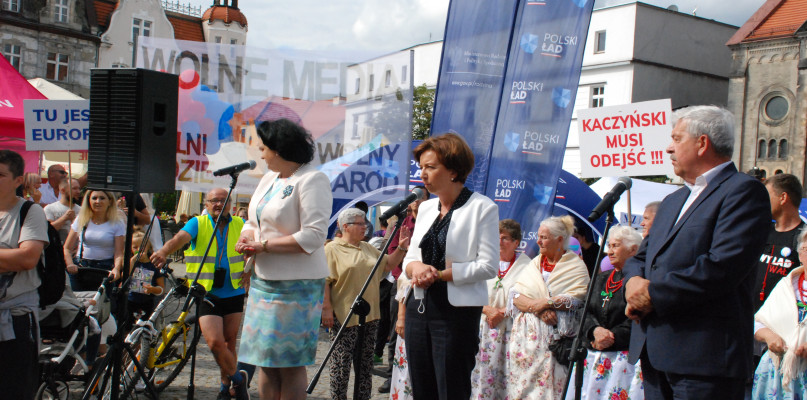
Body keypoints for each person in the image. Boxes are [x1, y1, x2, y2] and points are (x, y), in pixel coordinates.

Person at [623, 105, 771, 399]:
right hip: (656, 351)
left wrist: (651, 295)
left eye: (677, 138)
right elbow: (642, 257)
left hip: (704, 358)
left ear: (702, 143)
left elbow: (721, 267)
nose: (668, 148)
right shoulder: (673, 199)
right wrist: (633, 283)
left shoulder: (743, 192)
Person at [233, 118, 332, 400]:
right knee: (264, 360)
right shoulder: (268, 179)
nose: (260, 155)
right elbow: (254, 220)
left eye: (263, 149)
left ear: (279, 149)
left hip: (297, 286)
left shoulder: (312, 179)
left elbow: (313, 236)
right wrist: (247, 236)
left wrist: (264, 245)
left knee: (289, 363)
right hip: (264, 282)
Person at [402, 133, 499, 399]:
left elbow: (488, 266)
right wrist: (417, 269)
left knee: (451, 388)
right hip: (418, 306)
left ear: (454, 171)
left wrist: (439, 275)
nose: (423, 174)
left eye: (430, 167)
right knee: (422, 387)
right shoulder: (425, 208)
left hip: (455, 312)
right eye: (420, 167)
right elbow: (410, 259)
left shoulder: (483, 208)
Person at [151, 188, 249, 400]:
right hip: (206, 291)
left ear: (230, 204)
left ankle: (225, 389)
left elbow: (252, 251)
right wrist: (163, 251)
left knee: (230, 342)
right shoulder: (198, 223)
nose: (218, 204)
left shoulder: (241, 225)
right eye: (214, 200)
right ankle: (239, 381)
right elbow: (179, 239)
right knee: (215, 343)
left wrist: (250, 272)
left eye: (223, 201)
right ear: (206, 204)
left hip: (233, 290)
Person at [322, 208, 410, 400]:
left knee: (364, 367)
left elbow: (387, 265)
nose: (365, 227)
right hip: (344, 316)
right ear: (346, 226)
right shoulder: (332, 249)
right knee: (341, 367)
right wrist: (326, 309)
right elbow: (324, 282)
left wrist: (402, 248)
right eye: (360, 224)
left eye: (365, 223)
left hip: (370, 317)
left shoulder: (367, 247)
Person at [508, 215, 590, 399]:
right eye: (538, 236)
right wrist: (539, 308)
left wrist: (547, 303)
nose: (538, 241)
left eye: (544, 237)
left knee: (552, 391)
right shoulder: (534, 264)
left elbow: (577, 297)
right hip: (527, 343)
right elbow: (516, 295)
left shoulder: (575, 266)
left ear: (559, 239)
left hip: (556, 343)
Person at [565, 225, 644, 400]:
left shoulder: (639, 283)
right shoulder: (600, 278)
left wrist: (610, 337)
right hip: (593, 354)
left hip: (623, 360)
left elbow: (637, 319)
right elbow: (584, 310)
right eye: (609, 245)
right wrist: (594, 331)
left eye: (615, 245)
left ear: (633, 250)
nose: (609, 251)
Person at [0, 150, 48, 399]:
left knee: (14, 390)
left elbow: (27, 258)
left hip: (16, 319)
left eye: (0, 175)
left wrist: (15, 259)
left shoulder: (30, 212)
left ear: (18, 180)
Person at [470, 219, 531, 399]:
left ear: (516, 243)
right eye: (496, 237)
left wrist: (503, 311)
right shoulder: (483, 262)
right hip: (483, 328)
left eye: (505, 238)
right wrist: (487, 309)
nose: (499, 242)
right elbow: (470, 292)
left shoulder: (527, 266)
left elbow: (531, 296)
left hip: (510, 330)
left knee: (506, 376)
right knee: (480, 376)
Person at [380, 186, 430, 393]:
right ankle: (392, 375)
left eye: (422, 197)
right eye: (414, 198)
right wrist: (407, 266)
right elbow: (392, 251)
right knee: (395, 330)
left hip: (425, 281)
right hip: (402, 281)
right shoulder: (401, 223)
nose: (417, 202)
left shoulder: (432, 221)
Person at [752, 227, 807, 398]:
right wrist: (769, 336)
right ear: (799, 254)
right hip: (775, 372)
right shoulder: (787, 285)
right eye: (806, 248)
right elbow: (759, 321)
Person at [755, 173, 805, 311]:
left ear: (783, 198)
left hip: (780, 323)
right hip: (751, 317)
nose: (762, 202)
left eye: (767, 196)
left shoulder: (803, 237)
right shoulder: (762, 231)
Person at [63, 190, 125, 291]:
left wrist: (116, 269)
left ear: (110, 201)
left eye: (102, 198)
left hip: (105, 268)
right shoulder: (81, 219)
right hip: (82, 267)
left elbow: (119, 253)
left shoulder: (117, 223)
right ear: (88, 201)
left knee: (102, 303)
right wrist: (70, 264)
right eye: (94, 198)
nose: (98, 201)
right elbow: (67, 248)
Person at [127, 231, 165, 325]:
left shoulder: (153, 265)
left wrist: (153, 289)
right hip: (130, 301)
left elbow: (161, 289)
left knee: (145, 325)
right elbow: (126, 277)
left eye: (142, 246)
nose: (139, 249)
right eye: (135, 247)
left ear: (148, 247)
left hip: (147, 302)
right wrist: (132, 261)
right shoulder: (131, 263)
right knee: (129, 326)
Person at [44, 179, 81, 243]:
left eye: (79, 188)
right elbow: (48, 230)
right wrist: (65, 218)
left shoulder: (81, 211)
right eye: (74, 188)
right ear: (63, 190)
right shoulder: (50, 208)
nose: (78, 192)